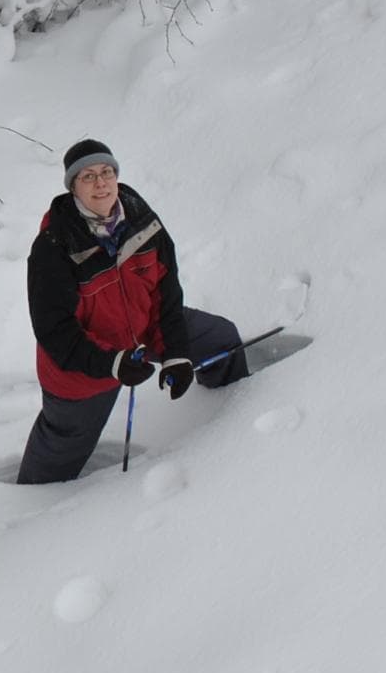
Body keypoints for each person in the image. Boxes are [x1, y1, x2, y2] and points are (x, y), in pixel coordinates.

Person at [18, 139, 245, 484]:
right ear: (73, 187)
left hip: (144, 329)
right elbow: (56, 332)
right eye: (88, 176)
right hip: (84, 366)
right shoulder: (55, 245)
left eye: (107, 172)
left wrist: (177, 355)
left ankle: (239, 413)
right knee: (57, 457)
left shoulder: (141, 217)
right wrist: (113, 363)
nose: (101, 183)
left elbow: (167, 293)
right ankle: (23, 509)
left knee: (221, 339)